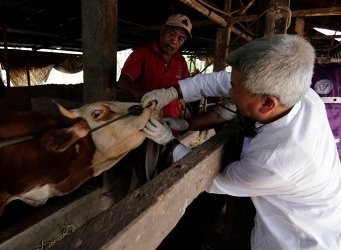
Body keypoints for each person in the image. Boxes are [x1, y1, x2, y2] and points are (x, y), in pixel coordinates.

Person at [141, 34, 341, 249]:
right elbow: (223, 81)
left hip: (297, 239)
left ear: (266, 103)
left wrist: (169, 142)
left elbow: (212, 181)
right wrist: (174, 91)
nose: (229, 92)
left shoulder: (274, 163)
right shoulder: (299, 94)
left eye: (236, 89)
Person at [117, 13, 192, 119]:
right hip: (144, 121)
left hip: (171, 123)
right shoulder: (141, 54)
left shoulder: (181, 61)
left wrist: (182, 102)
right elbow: (123, 82)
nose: (174, 41)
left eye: (180, 38)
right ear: (162, 31)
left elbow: (187, 86)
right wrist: (142, 93)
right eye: (171, 34)